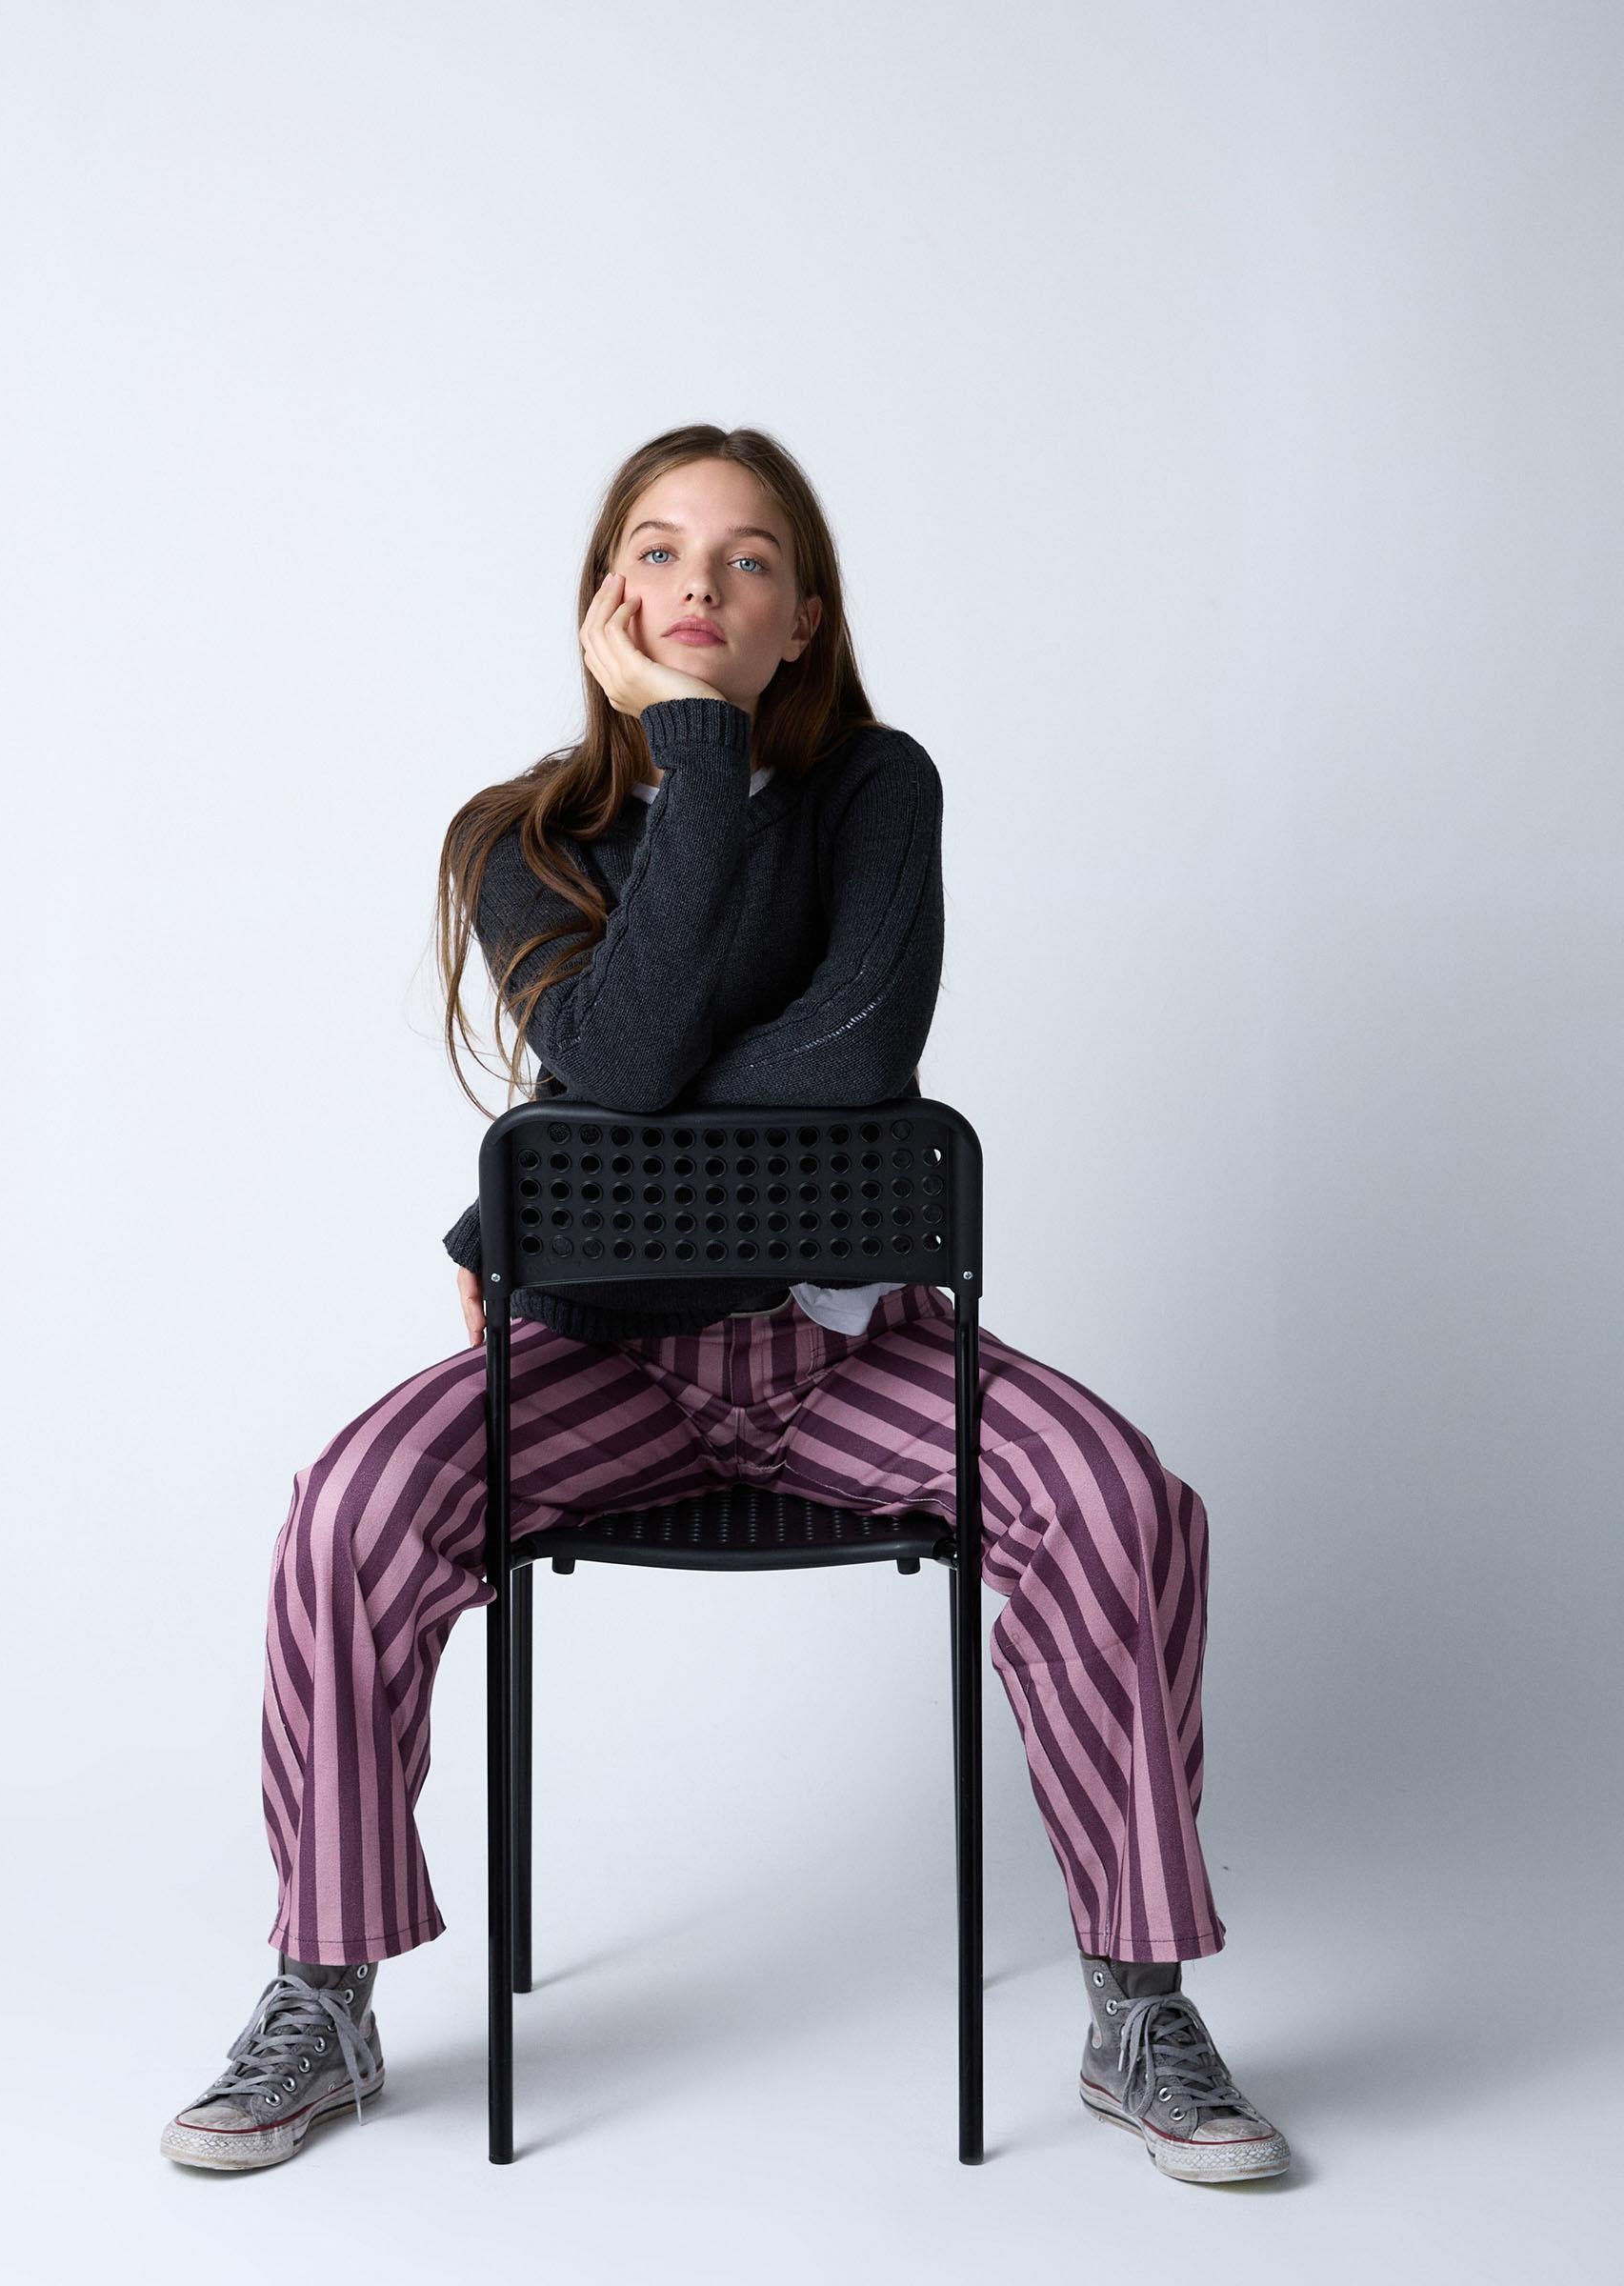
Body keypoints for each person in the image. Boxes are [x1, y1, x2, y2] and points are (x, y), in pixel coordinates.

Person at [160, 426, 1291, 2186]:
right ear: (607, 596)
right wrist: (685, 789)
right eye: (662, 550)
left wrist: (552, 1169)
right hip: (602, 1350)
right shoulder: (516, 837)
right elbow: (612, 1064)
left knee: (1118, 1500)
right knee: (352, 1510)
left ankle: (1138, 2005)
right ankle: (325, 1991)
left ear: (804, 617)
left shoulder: (877, 791)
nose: (702, 583)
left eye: (750, 559)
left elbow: (850, 1066)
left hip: (851, 1345)